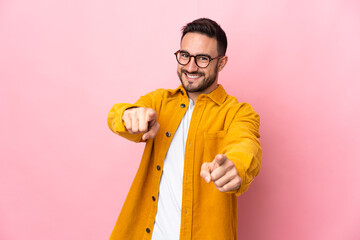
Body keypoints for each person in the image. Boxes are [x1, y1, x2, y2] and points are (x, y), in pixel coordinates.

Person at [107, 18, 262, 240]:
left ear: (221, 63)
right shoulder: (159, 101)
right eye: (185, 56)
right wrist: (127, 115)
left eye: (202, 59)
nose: (190, 67)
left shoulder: (238, 113)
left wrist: (237, 165)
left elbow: (246, 144)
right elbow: (116, 115)